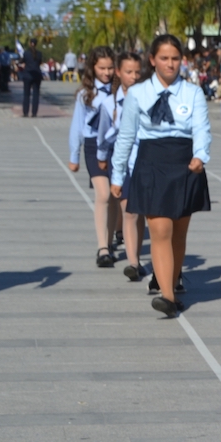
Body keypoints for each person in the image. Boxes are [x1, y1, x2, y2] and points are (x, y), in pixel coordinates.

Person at [110, 34, 211, 318]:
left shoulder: (193, 93)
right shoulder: (137, 93)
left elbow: (202, 128)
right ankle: (167, 296)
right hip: (151, 164)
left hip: (185, 164)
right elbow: (126, 135)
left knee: (178, 233)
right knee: (160, 231)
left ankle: (173, 282)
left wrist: (200, 155)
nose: (170, 64)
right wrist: (118, 174)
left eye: (175, 58)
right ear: (152, 60)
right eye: (164, 58)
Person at [97, 51, 146, 281]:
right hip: (122, 161)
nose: (134, 76)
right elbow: (102, 135)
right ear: (118, 72)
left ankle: (137, 255)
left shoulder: (148, 98)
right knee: (129, 211)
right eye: (128, 72)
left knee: (142, 213)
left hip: (145, 161)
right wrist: (102, 157)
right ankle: (133, 262)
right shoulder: (109, 103)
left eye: (137, 72)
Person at [68, 46, 119, 268]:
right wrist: (74, 155)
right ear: (93, 68)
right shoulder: (85, 94)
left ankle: (110, 240)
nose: (106, 73)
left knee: (115, 195)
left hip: (116, 146)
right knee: (103, 194)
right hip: (92, 146)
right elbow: (77, 125)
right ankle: (102, 247)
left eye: (110, 68)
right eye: (102, 68)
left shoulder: (121, 92)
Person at [21, 39, 43, 117]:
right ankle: (34, 113)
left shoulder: (26, 53)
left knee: (26, 94)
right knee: (36, 95)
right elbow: (39, 62)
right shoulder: (39, 53)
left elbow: (23, 61)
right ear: (36, 44)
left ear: (30, 43)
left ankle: (25, 112)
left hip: (27, 74)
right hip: (37, 75)